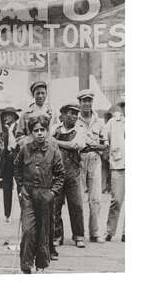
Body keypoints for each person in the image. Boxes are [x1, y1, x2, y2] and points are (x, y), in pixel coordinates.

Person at [14, 115, 65, 274]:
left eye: (43, 130)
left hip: (45, 195)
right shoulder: (25, 150)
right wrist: (21, 187)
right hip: (28, 194)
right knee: (28, 230)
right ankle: (26, 264)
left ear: (47, 131)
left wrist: (52, 192)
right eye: (36, 130)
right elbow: (16, 168)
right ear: (31, 133)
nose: (40, 133)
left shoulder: (53, 151)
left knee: (44, 232)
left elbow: (61, 175)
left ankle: (41, 265)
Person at [51, 103, 86, 248]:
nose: (74, 116)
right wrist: (54, 142)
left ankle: (79, 236)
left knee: (76, 205)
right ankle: (57, 236)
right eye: (71, 113)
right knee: (55, 205)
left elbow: (75, 145)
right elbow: (48, 143)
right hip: (56, 172)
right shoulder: (54, 129)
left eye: (76, 114)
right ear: (63, 115)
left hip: (73, 173)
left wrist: (56, 142)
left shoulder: (80, 130)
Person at [77, 89, 108, 243]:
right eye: (84, 101)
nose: (87, 104)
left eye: (89, 101)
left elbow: (105, 146)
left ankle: (95, 232)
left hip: (95, 161)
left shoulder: (99, 122)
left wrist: (93, 145)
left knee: (95, 198)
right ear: (80, 103)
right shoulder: (75, 121)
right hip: (79, 161)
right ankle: (80, 233)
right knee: (79, 199)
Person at [104, 97, 125, 242]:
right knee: (116, 199)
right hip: (118, 164)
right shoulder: (114, 122)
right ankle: (110, 231)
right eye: (124, 105)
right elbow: (104, 137)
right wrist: (107, 148)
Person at [16, 81, 58, 146]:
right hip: (31, 149)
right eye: (37, 93)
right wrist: (31, 141)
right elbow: (19, 137)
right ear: (33, 95)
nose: (40, 96)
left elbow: (57, 132)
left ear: (46, 94)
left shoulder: (53, 111)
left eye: (43, 93)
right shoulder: (26, 113)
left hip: (49, 149)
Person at [0, 107, 21, 223]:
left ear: (13, 117)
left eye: (9, 115)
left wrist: (10, 131)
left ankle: (24, 211)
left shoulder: (18, 128)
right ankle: (7, 214)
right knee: (6, 187)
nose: (6, 118)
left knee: (20, 185)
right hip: (6, 159)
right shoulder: (2, 130)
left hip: (17, 158)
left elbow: (18, 143)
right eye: (5, 115)